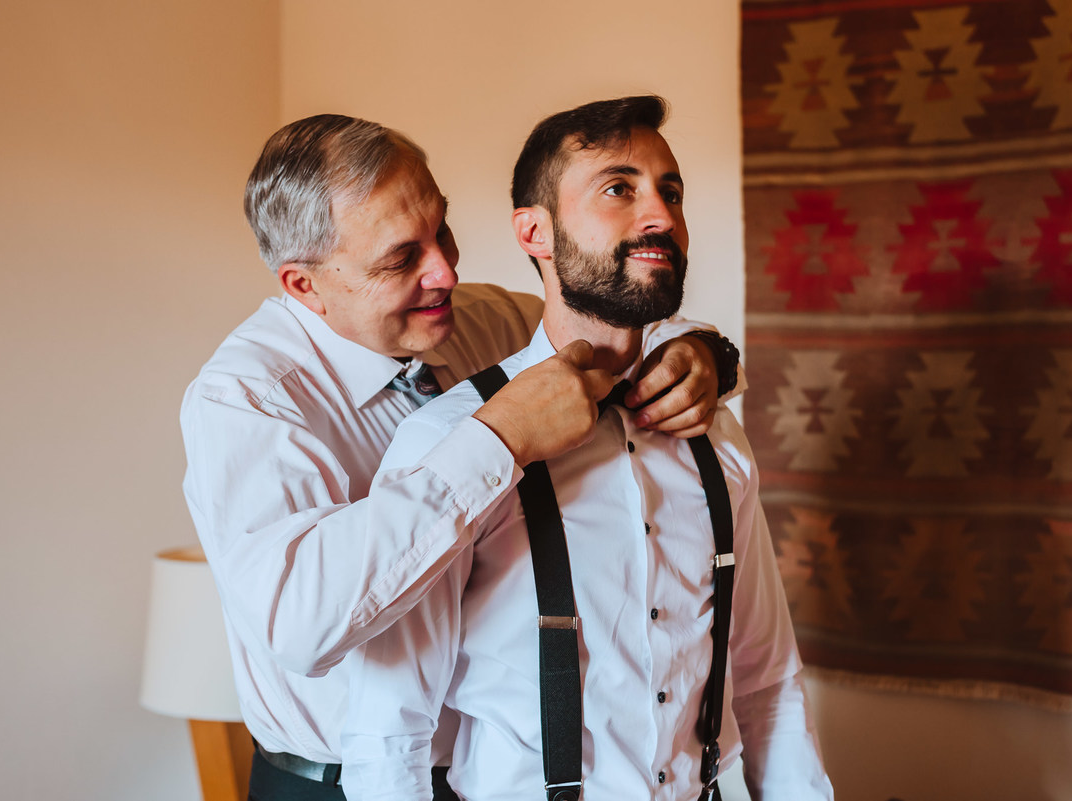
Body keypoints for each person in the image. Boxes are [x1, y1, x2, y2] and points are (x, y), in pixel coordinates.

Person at [179, 114, 743, 800]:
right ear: (304, 285)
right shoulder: (245, 400)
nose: (446, 271)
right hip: (329, 783)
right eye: (400, 258)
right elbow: (302, 624)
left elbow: (606, 311)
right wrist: (495, 440)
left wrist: (705, 353)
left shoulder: (475, 320)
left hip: (486, 776)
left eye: (441, 230)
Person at [341, 96, 831, 801]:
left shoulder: (715, 434)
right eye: (618, 188)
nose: (659, 214)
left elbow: (767, 679)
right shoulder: (448, 442)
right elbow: (389, 732)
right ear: (534, 231)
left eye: (671, 191)